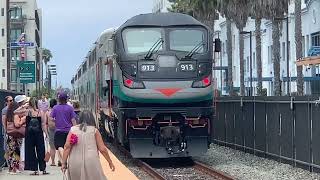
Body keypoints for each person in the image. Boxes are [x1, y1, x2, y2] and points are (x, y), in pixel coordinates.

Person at [62, 110, 115, 180]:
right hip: (92, 161)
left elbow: (66, 147)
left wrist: (64, 163)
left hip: (74, 161)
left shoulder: (72, 130)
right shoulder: (94, 130)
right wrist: (110, 161)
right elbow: (102, 149)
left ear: (79, 119)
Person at [23, 97, 49, 175]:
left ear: (29, 103)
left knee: (30, 151)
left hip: (29, 133)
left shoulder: (27, 111)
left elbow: (15, 112)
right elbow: (43, 124)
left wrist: (23, 106)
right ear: (37, 103)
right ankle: (43, 169)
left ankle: (34, 169)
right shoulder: (41, 112)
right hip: (39, 133)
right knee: (41, 150)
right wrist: (46, 134)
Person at [51, 91, 76, 166]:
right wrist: (75, 129)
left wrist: (56, 120)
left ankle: (63, 161)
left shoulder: (55, 108)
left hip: (58, 131)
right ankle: (65, 160)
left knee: (59, 146)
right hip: (69, 131)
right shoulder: (70, 108)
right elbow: (73, 120)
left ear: (59, 99)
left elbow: (51, 118)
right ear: (66, 99)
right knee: (68, 146)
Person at [4, 101, 24, 174]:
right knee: (17, 151)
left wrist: (7, 130)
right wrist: (22, 120)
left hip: (9, 134)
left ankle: (10, 168)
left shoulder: (7, 115)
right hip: (17, 135)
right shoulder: (16, 115)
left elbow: (5, 124)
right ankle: (15, 168)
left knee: (10, 151)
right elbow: (17, 125)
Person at [45, 98, 60, 166]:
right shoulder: (58, 111)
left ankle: (53, 162)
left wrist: (45, 132)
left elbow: (45, 123)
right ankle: (60, 160)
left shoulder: (47, 112)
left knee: (52, 147)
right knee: (60, 146)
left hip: (50, 130)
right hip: (59, 129)